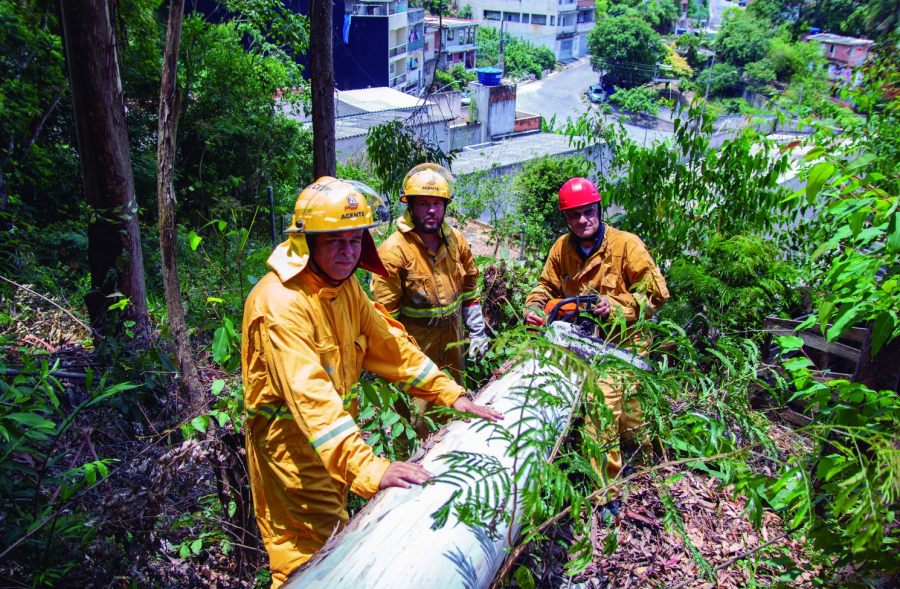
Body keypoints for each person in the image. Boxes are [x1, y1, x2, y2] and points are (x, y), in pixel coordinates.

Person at [242, 177, 502, 587]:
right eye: (335, 242)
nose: (348, 252)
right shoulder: (280, 303)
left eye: (355, 240)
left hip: (331, 445)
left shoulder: (342, 286)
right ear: (306, 241)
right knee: (304, 563)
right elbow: (312, 398)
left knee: (336, 547)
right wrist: (369, 466)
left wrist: (450, 394)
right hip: (292, 451)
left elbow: (391, 345)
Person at [523, 177, 669, 509]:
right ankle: (627, 472)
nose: (582, 221)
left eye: (588, 212)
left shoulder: (626, 245)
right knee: (622, 414)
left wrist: (618, 307)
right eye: (574, 216)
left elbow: (656, 294)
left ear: (598, 209)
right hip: (580, 343)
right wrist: (533, 307)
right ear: (566, 219)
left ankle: (607, 496)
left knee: (606, 406)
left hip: (625, 349)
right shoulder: (562, 248)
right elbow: (546, 286)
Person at [371, 164, 489, 439]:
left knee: (456, 417)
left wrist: (477, 331)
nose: (432, 210)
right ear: (410, 206)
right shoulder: (393, 251)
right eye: (423, 204)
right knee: (416, 427)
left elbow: (470, 286)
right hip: (415, 358)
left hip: (454, 351)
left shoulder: (455, 241)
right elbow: (384, 320)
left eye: (438, 203)